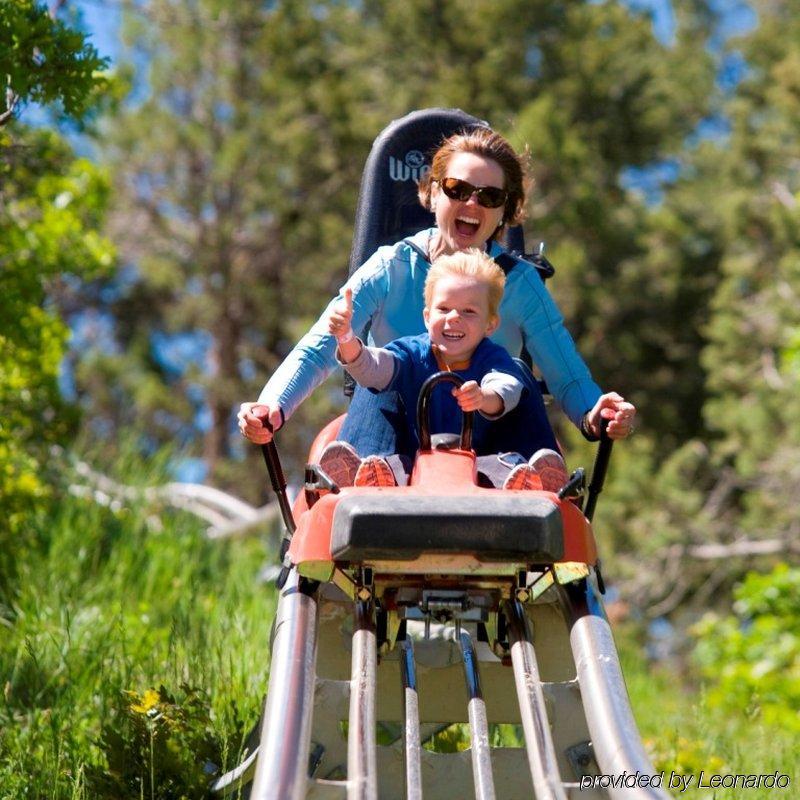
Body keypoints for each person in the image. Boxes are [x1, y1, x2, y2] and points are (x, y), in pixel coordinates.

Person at [238, 126, 635, 468]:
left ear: (505, 212)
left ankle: (526, 480)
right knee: (385, 370)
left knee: (518, 377)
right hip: (396, 444)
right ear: (432, 194)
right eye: (457, 189)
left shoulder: (519, 283)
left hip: (486, 446)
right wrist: (272, 406)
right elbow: (320, 348)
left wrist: (596, 412)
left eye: (489, 197)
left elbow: (567, 376)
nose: (472, 204)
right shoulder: (391, 266)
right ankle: (365, 474)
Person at [319, 249, 567, 489]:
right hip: (410, 465)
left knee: (505, 457)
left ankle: (533, 481)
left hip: (480, 468)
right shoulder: (412, 353)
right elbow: (371, 368)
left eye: (469, 311)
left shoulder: (491, 358)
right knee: (379, 388)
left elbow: (507, 387)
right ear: (427, 317)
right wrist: (346, 339)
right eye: (444, 309)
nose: (454, 317)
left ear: (490, 325)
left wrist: (483, 397)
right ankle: (363, 472)